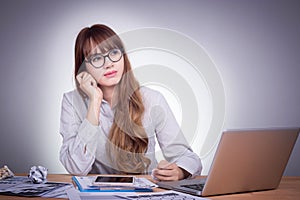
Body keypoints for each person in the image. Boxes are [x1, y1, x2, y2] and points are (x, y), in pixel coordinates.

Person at [59, 24, 202, 181]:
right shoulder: (72, 101)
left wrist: (180, 171)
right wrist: (95, 101)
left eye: (114, 53)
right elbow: (76, 167)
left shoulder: (152, 99)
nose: (109, 64)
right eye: (97, 58)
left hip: (144, 194)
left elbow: (188, 158)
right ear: (84, 67)